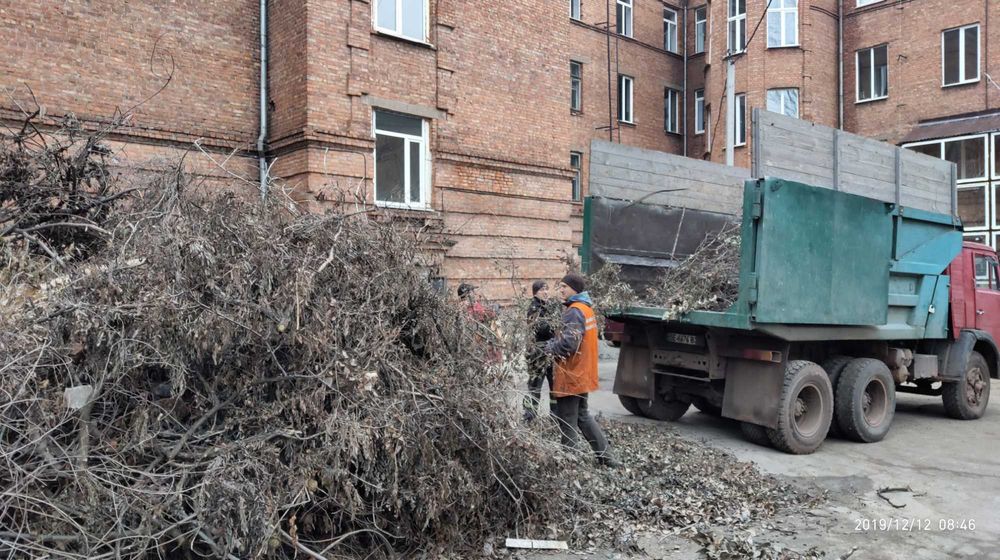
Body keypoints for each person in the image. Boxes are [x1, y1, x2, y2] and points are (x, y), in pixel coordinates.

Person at [544, 273, 616, 466]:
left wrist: (549, 347)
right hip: (582, 373)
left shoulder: (574, 311)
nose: (560, 290)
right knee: (582, 416)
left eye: (564, 287)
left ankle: (569, 462)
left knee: (567, 420)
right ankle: (607, 457)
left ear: (574, 289)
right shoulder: (586, 309)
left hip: (571, 374)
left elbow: (569, 344)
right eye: (560, 286)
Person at [523, 280, 556, 422]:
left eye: (547, 289)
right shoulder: (534, 308)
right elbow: (541, 329)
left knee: (555, 387)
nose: (546, 292)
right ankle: (529, 417)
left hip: (550, 353)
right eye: (542, 290)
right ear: (535, 292)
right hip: (537, 354)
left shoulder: (548, 306)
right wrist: (555, 324)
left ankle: (555, 417)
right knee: (534, 387)